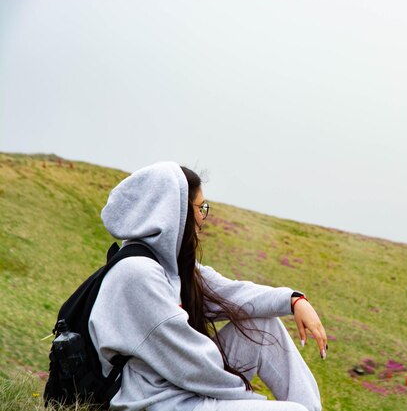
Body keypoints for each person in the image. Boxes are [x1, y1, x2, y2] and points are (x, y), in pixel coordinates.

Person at [89, 161, 325, 411]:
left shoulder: (169, 265)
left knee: (262, 325)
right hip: (159, 402)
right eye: (200, 208)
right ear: (172, 211)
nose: (203, 217)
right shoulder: (138, 275)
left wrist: (294, 300)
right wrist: (251, 401)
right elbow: (190, 363)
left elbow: (233, 294)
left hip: (182, 388)